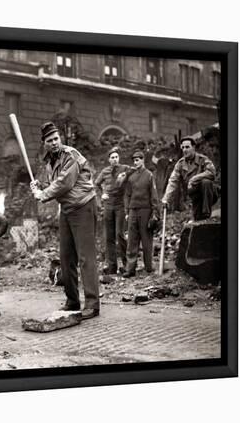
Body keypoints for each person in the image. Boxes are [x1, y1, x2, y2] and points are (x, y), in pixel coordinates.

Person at [30, 121, 100, 320]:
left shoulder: (70, 155)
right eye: (49, 140)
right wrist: (39, 185)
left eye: (56, 139)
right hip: (67, 209)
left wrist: (42, 194)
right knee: (66, 257)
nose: (53, 143)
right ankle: (72, 301)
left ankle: (93, 304)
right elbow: (53, 182)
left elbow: (64, 183)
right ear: (44, 143)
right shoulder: (50, 160)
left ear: (60, 139)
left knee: (86, 257)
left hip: (83, 206)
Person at [122, 150, 159, 278]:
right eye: (134, 160)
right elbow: (127, 195)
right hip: (133, 210)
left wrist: (155, 212)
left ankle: (148, 267)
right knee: (132, 240)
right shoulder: (131, 178)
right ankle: (130, 269)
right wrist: (127, 211)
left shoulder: (149, 175)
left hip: (145, 210)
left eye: (138, 160)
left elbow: (154, 195)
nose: (135, 162)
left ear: (143, 160)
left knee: (146, 239)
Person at [94, 146, 131, 274]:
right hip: (108, 205)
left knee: (119, 234)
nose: (115, 159)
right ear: (109, 160)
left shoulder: (125, 168)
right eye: (112, 158)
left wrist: (125, 175)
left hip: (120, 204)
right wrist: (102, 195)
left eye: (116, 157)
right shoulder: (105, 171)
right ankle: (112, 266)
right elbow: (96, 184)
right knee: (109, 236)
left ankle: (127, 265)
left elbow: (134, 172)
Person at [162, 136, 217, 221]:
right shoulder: (180, 164)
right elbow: (173, 181)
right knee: (197, 220)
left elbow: (212, 173)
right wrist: (166, 198)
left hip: (208, 193)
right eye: (183, 147)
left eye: (187, 147)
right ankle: (201, 217)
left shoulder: (202, 159)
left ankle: (206, 213)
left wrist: (195, 178)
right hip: (194, 196)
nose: (184, 150)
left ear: (194, 147)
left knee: (206, 182)